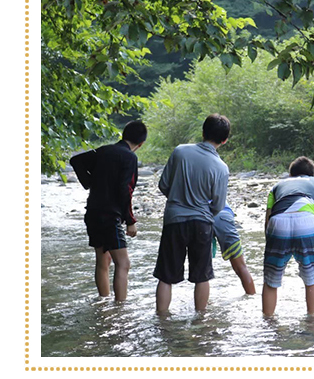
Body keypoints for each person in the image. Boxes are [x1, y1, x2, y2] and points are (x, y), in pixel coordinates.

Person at [154, 114, 231, 313]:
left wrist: (177, 198)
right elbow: (218, 205)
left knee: (166, 275)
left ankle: (161, 319)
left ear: (203, 132)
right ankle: (200, 321)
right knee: (202, 276)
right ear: (224, 140)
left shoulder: (180, 151)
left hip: (174, 220)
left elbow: (163, 185)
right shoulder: (221, 168)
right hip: (202, 224)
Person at [70, 121, 147, 302]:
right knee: (123, 263)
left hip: (93, 213)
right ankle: (120, 309)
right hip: (110, 215)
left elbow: (76, 161)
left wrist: (89, 182)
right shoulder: (129, 157)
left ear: (123, 134)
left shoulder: (104, 150)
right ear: (141, 144)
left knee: (103, 261)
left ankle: (104, 303)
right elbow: (124, 189)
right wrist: (130, 220)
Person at [263, 157, 314, 316]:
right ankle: (312, 323)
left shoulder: (277, 186)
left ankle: (268, 323)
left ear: (291, 175)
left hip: (279, 222)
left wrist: (272, 244)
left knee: (271, 281)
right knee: (312, 278)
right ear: (312, 174)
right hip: (307, 222)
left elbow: (267, 220)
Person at [213, 206, 256, 295]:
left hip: (201, 218)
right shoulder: (219, 192)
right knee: (241, 266)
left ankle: (204, 305)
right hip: (224, 216)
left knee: (203, 270)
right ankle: (252, 298)